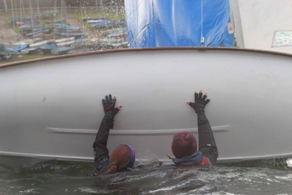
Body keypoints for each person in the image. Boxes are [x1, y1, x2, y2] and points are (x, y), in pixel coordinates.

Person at [170, 90, 218, 167]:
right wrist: (200, 110)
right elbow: (205, 133)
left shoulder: (168, 172)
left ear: (173, 150)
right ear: (195, 146)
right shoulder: (210, 156)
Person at [93, 94, 135, 175]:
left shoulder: (102, 166)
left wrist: (108, 117)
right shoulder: (134, 175)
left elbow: (99, 144)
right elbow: (98, 145)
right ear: (132, 163)